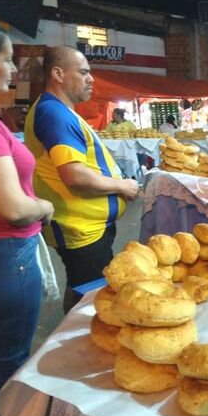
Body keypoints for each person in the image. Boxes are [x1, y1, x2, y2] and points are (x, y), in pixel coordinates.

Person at [0, 13, 54, 416]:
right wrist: (45, 207)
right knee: (8, 363)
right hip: (3, 256)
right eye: (7, 60)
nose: (12, 69)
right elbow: (12, 206)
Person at [24, 45, 139, 312]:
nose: (91, 79)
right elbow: (73, 174)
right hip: (80, 229)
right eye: (84, 72)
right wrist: (123, 185)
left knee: (81, 287)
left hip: (87, 226)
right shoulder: (54, 113)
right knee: (93, 300)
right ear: (58, 74)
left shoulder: (59, 110)